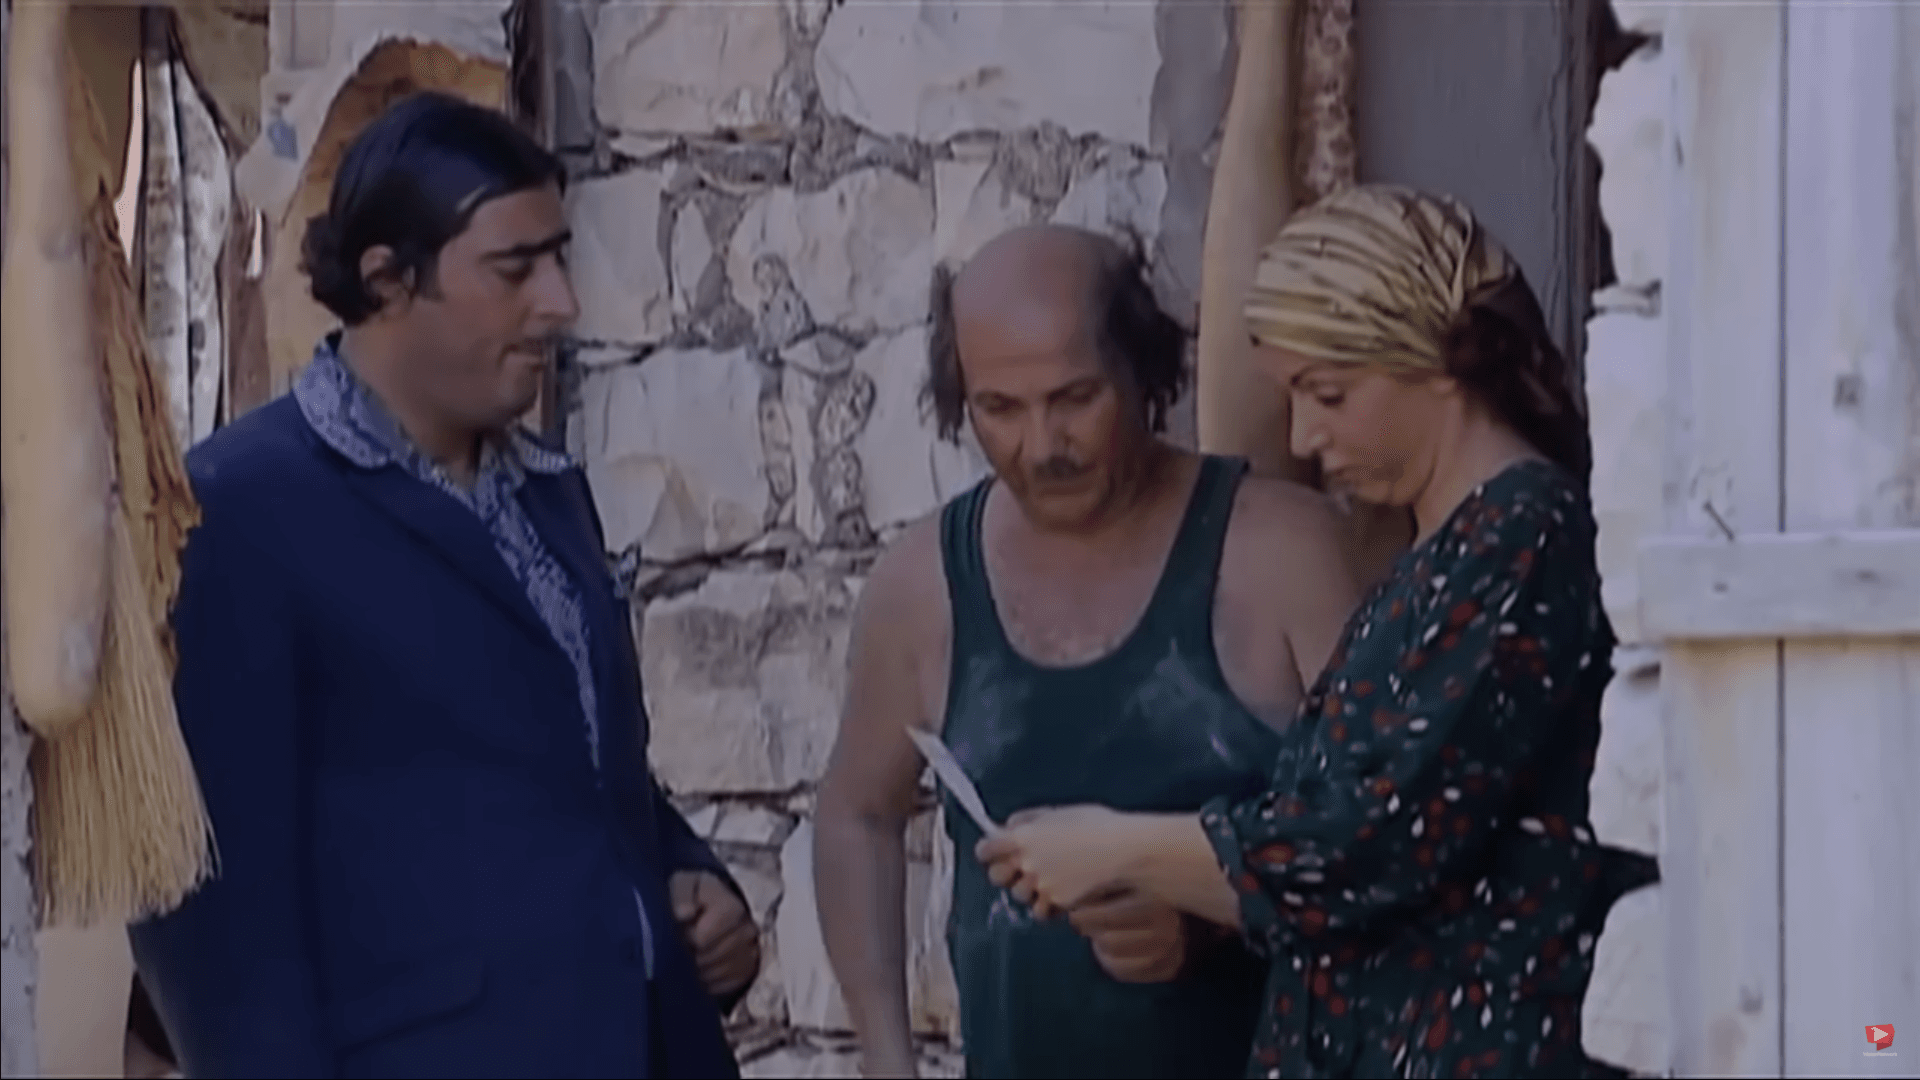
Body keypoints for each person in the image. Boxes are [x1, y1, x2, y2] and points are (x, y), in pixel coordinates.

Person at [126, 92, 759, 1079]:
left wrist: (688, 878)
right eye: (516, 269)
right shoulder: (237, 516)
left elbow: (575, 771)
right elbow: (210, 919)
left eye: (559, 258)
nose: (561, 302)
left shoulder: (548, 493)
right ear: (388, 280)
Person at [978, 186, 1662, 1079]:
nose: (1304, 434)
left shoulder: (1524, 535)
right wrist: (1170, 896)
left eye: (1329, 394)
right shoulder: (1435, 551)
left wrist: (1119, 844)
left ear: (1434, 362)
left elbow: (1375, 839)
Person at [813, 224, 1363, 1079]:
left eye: (1075, 398)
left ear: (1145, 373)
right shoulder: (924, 585)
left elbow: (1386, 843)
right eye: (999, 409)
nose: (1043, 448)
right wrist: (888, 1058)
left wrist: (1207, 922)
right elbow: (857, 814)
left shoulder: (1285, 554)